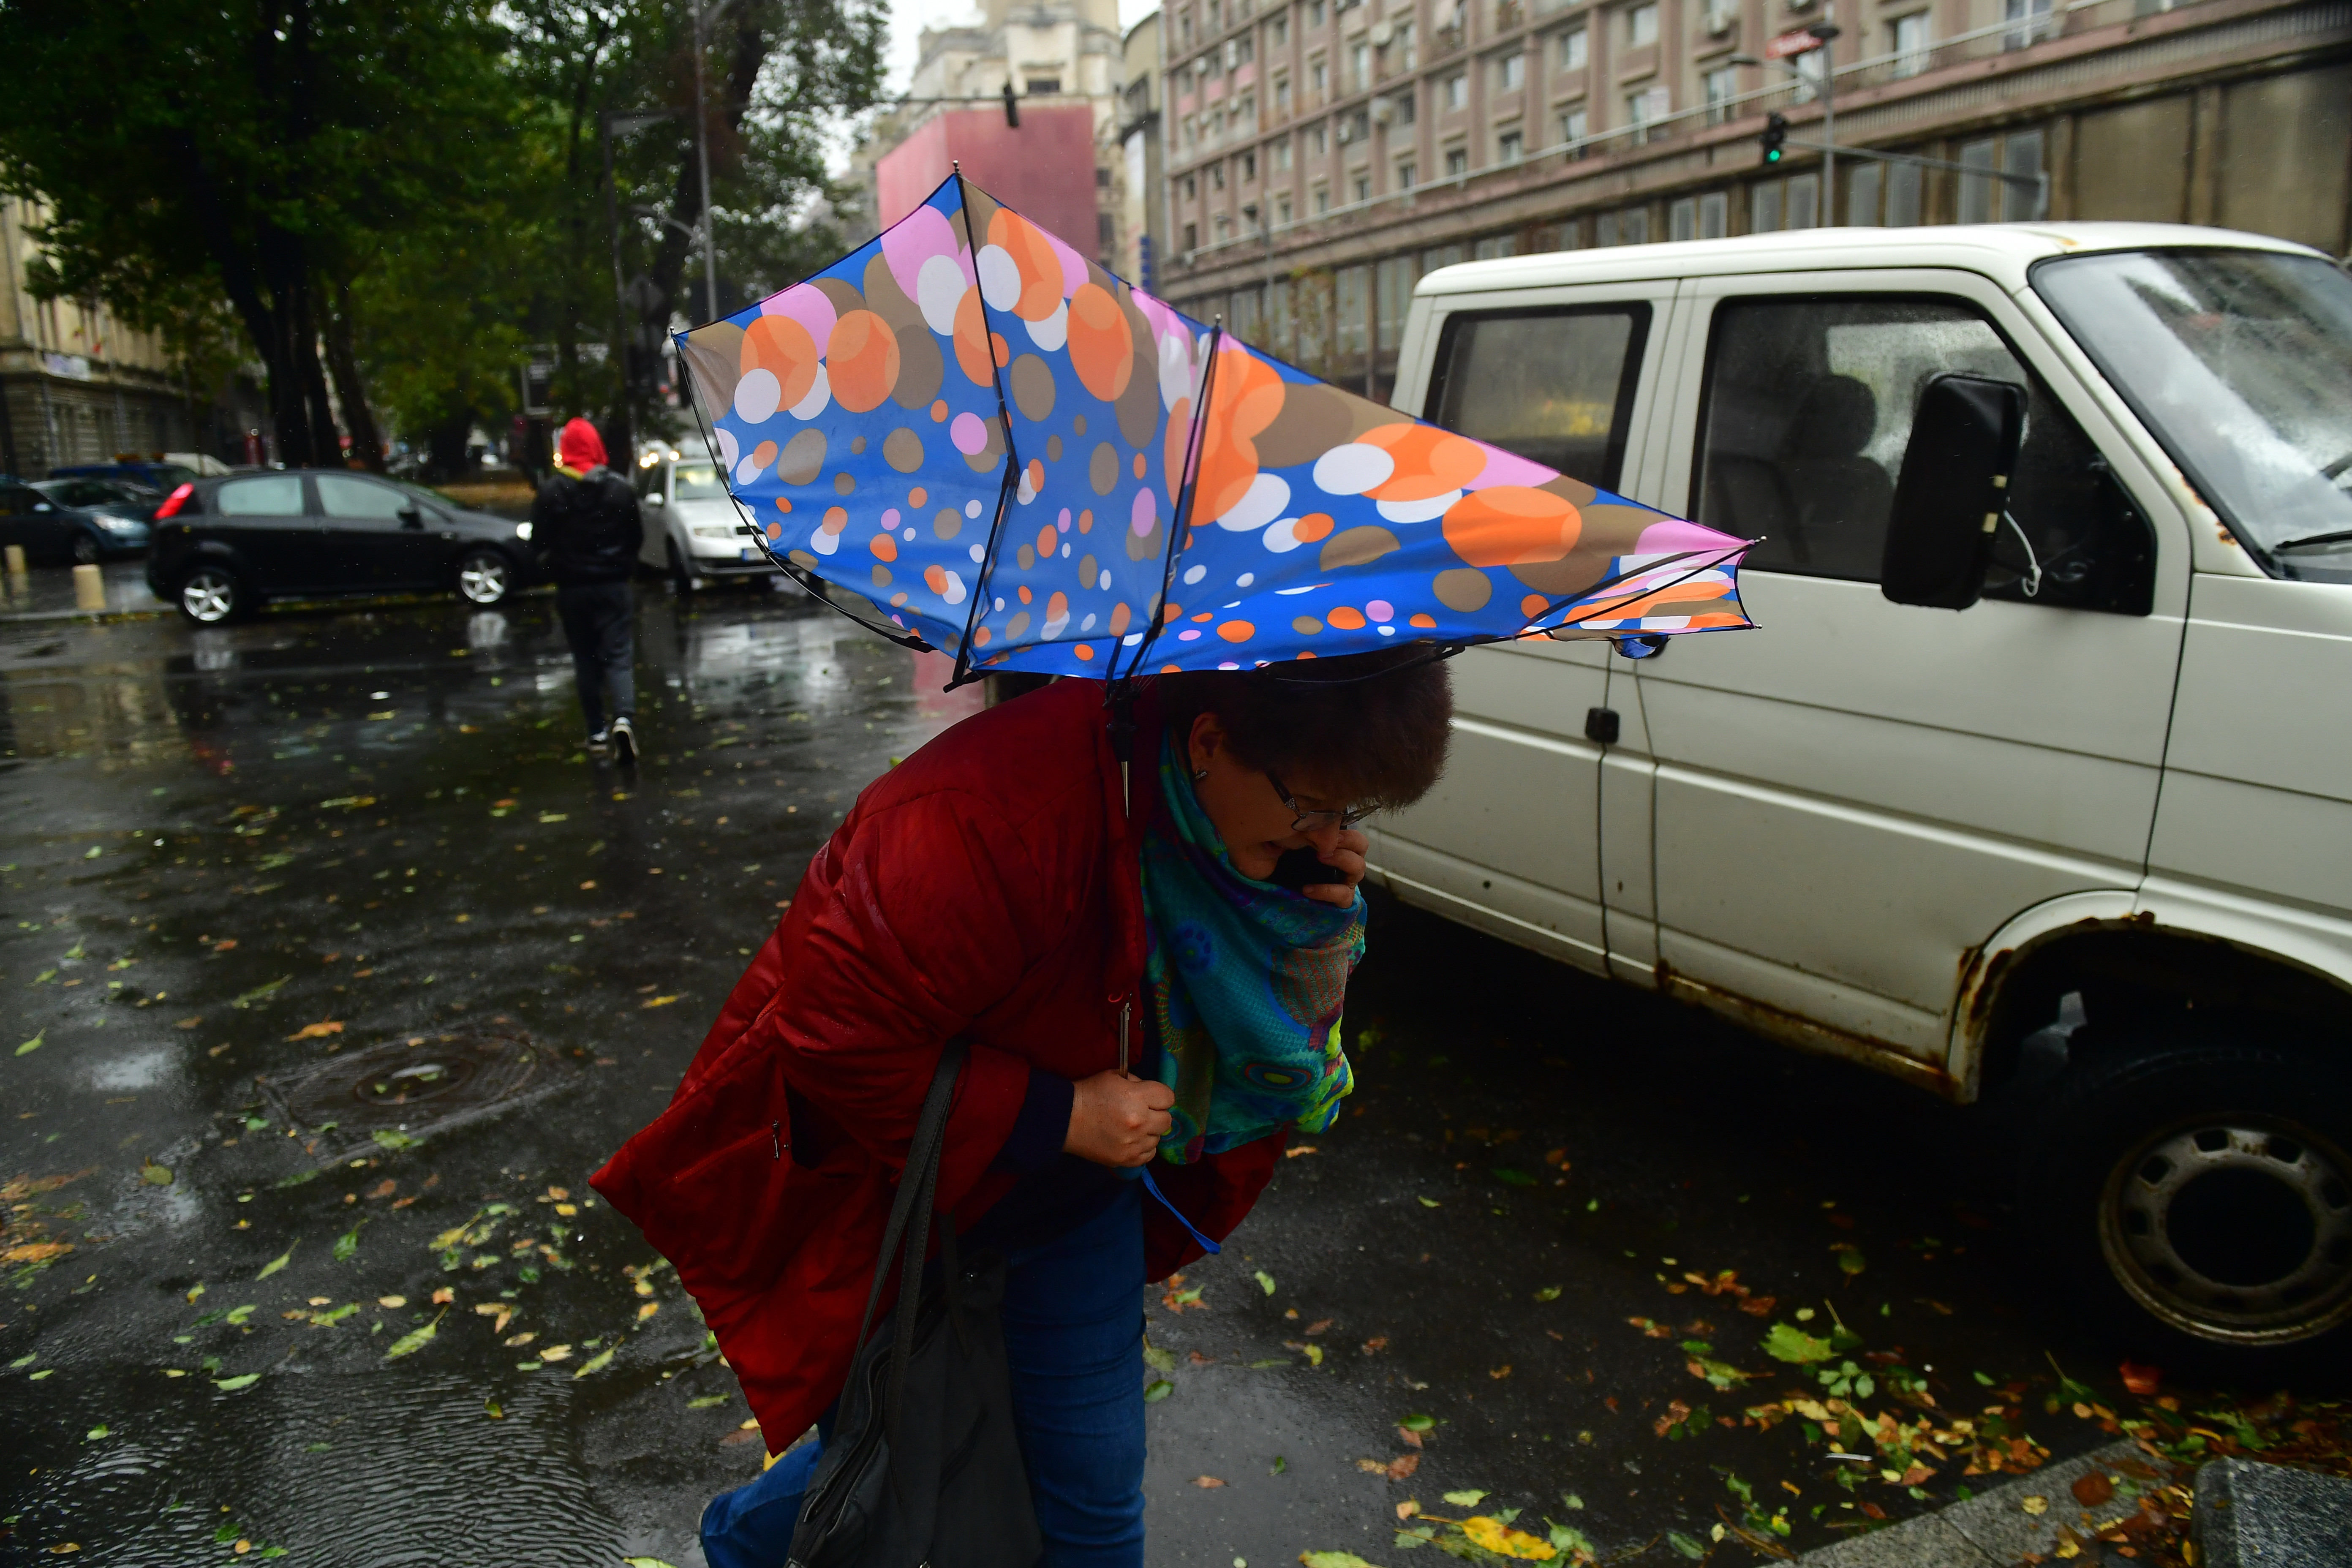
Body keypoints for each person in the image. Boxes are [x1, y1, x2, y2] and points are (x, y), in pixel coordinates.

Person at [591, 650, 1454, 1568]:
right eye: (1311, 806)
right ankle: (737, 1543)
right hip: (903, 1195)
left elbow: (1264, 1039)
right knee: (905, 1450)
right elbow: (836, 1037)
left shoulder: (1214, 811)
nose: (1327, 831)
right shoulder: (986, 818)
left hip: (1074, 1205)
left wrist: (1300, 913)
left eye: (1346, 815)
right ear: (1209, 742)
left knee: (1093, 1498)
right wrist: (1064, 1115)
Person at [532, 417, 642, 760]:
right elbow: (635, 537)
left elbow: (538, 541)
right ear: (597, 447)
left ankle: (595, 730)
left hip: (573, 590)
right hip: (613, 585)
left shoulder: (551, 492)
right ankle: (624, 719)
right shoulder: (620, 489)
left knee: (586, 659)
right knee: (619, 657)